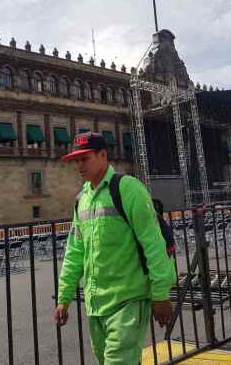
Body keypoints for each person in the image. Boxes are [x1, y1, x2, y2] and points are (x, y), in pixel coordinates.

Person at [54, 132, 176, 365]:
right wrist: (64, 297)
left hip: (128, 301)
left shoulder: (128, 189)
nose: (79, 165)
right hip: (96, 306)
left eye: (85, 158)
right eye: (76, 160)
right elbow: (75, 252)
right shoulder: (82, 199)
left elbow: (153, 243)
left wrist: (160, 294)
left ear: (103, 155)